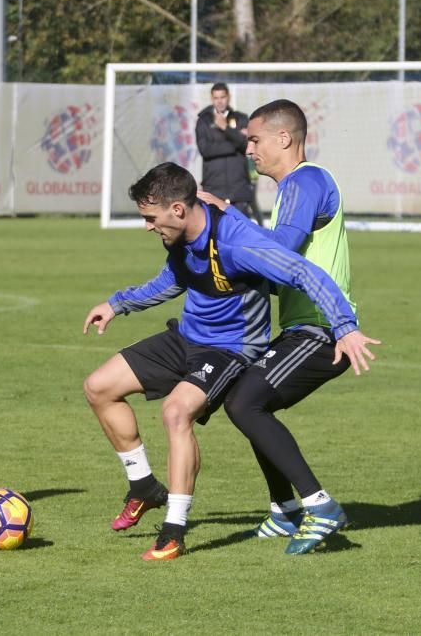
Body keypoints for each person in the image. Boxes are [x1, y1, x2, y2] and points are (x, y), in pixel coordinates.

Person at [82, 162, 378, 561]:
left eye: (151, 218)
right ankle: (144, 486)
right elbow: (171, 282)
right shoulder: (178, 238)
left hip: (231, 349)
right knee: (98, 387)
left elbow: (303, 271)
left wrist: (344, 326)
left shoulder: (238, 242)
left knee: (175, 412)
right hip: (186, 336)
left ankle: (173, 529)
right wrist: (118, 303)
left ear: (179, 210)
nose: (148, 226)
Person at [200, 98, 377, 555]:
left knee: (245, 402)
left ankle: (319, 506)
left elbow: (280, 250)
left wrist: (226, 215)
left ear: (284, 138)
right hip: (303, 327)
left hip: (321, 331)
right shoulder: (293, 189)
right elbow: (279, 269)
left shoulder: (305, 180)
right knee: (243, 398)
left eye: (255, 140)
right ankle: (285, 509)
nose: (248, 150)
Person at [195, 82, 264, 224]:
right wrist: (235, 142)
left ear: (228, 97)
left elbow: (247, 145)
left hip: (238, 189)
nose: (219, 101)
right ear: (212, 99)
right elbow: (205, 150)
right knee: (215, 235)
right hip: (214, 188)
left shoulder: (241, 119)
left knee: (243, 234)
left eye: (222, 97)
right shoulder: (203, 121)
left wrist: (226, 128)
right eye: (216, 98)